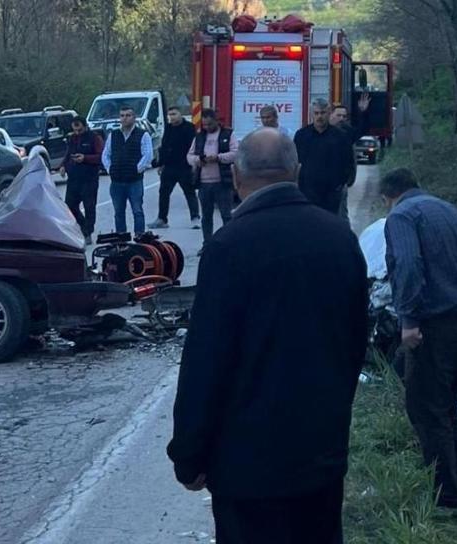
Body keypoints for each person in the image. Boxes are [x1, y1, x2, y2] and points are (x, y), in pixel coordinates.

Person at [167, 128, 368, 544]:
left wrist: (189, 454)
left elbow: (206, 360)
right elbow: (354, 346)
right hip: (320, 457)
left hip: (246, 467)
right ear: (297, 172)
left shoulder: (229, 248)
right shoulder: (339, 239)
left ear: (237, 180)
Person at [381, 167, 457, 509]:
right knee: (446, 406)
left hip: (435, 327)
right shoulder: (449, 210)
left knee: (426, 410)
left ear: (389, 197)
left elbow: (408, 265)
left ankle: (446, 499)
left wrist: (408, 320)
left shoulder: (402, 216)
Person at [187, 108, 237, 253]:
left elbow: (235, 153)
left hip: (222, 182)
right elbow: (189, 156)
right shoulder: (199, 137)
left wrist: (219, 157)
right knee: (206, 217)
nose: (207, 127)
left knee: (226, 215)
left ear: (216, 121)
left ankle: (230, 244)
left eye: (209, 124)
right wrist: (198, 160)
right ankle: (207, 244)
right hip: (204, 183)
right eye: (204, 125)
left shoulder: (228, 134)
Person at [293, 98, 354, 215]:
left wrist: (340, 184)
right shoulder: (301, 136)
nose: (319, 117)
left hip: (332, 193)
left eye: (322, 113)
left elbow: (348, 161)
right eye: (316, 113)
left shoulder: (340, 136)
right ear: (311, 114)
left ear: (329, 113)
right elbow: (296, 161)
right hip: (307, 191)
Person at [101, 106, 153, 234]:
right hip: (117, 181)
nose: (124, 118)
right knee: (118, 212)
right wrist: (110, 169)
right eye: (122, 115)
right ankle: (121, 240)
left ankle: (140, 237)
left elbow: (147, 155)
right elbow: (106, 154)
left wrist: (136, 169)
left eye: (128, 115)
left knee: (137, 211)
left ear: (134, 118)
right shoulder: (114, 135)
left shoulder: (143, 134)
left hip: (134, 181)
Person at [148, 107, 200, 229]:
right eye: (170, 114)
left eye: (174, 114)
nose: (172, 117)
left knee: (189, 192)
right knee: (164, 193)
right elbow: (164, 145)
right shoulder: (169, 128)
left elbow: (193, 146)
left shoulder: (189, 127)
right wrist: (161, 163)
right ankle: (162, 219)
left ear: (180, 114)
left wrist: (193, 164)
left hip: (184, 166)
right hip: (169, 166)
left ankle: (195, 218)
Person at [58, 116, 104, 245]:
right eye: (75, 130)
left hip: (89, 178)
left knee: (89, 207)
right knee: (70, 206)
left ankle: (88, 232)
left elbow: (101, 157)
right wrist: (62, 166)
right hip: (74, 178)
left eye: (79, 129)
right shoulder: (72, 138)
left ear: (85, 126)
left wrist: (85, 158)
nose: (77, 132)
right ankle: (83, 227)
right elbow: (68, 154)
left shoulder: (95, 138)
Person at [329, 96, 371, 224]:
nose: (341, 119)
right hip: (320, 183)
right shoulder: (321, 133)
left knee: (341, 214)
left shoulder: (347, 133)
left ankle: (345, 239)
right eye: (338, 115)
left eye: (344, 116)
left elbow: (362, 130)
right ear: (330, 116)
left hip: (340, 183)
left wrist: (363, 112)